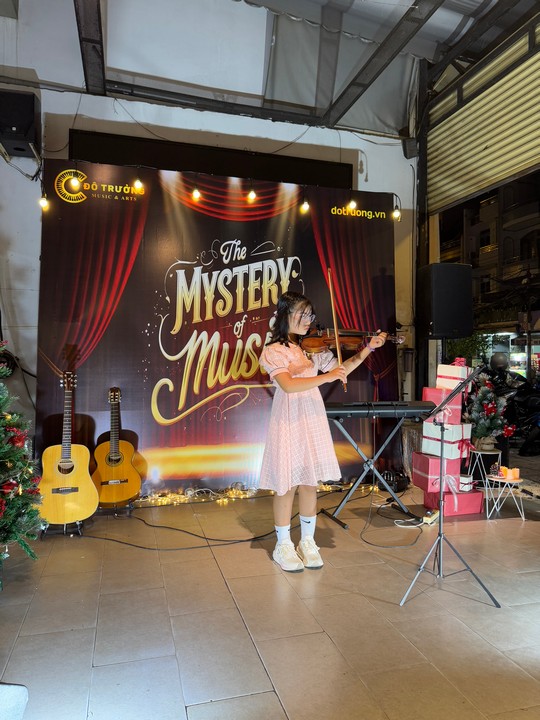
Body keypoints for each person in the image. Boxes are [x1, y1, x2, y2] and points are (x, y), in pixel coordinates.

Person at [258, 291, 387, 572]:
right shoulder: (274, 350)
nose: (308, 320)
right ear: (285, 315)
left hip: (312, 416)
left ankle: (307, 541)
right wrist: (326, 377)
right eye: (302, 314)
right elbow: (288, 385)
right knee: (287, 484)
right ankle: (283, 545)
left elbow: (342, 369)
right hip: (289, 418)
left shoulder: (312, 349)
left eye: (310, 315)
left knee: (309, 482)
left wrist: (368, 348)